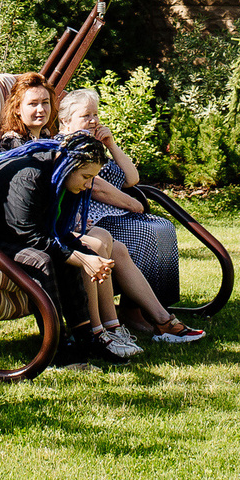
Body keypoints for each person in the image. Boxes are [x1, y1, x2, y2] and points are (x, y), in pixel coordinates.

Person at [56, 87, 206, 346]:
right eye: (85, 116)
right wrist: (133, 204)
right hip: (91, 217)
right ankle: (138, 313)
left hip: (114, 213)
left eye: (95, 114)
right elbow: (95, 186)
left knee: (163, 228)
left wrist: (111, 144)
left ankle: (151, 310)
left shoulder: (95, 145)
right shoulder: (71, 146)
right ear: (65, 121)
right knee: (147, 232)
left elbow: (131, 178)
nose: (93, 121)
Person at [0, 132, 136, 361]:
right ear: (68, 166)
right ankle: (56, 345)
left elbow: (57, 233)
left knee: (71, 254)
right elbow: (27, 236)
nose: (88, 186)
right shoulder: (31, 174)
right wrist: (82, 259)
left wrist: (86, 254)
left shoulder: (57, 174)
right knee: (43, 259)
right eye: (86, 176)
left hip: (13, 235)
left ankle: (85, 337)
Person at [0, 72, 56, 147]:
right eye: (33, 104)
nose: (41, 109)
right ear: (17, 108)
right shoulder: (11, 144)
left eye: (45, 102)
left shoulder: (45, 137)